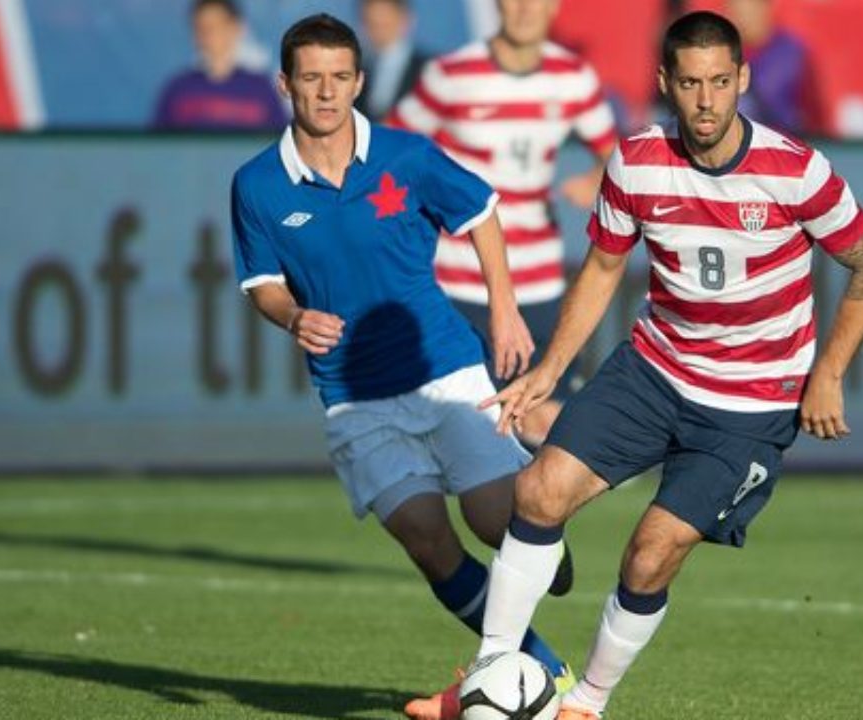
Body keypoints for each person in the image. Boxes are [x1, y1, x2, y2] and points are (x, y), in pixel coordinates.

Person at [407, 10, 863, 720]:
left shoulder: (794, 170)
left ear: (743, 80)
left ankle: (586, 705)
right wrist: (550, 369)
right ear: (666, 82)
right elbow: (605, 268)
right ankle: (490, 676)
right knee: (539, 491)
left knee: (650, 553)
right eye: (691, 83)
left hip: (750, 406)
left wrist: (827, 372)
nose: (706, 101)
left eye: (721, 82)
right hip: (654, 372)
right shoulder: (636, 159)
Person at [228, 14, 576, 719]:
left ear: (358, 82)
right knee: (425, 538)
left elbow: (479, 213)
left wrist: (505, 310)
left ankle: (543, 543)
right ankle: (540, 667)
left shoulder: (406, 155)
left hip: (444, 369)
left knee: (493, 520)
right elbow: (261, 282)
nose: (325, 92)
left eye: (338, 77)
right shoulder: (257, 184)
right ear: (285, 83)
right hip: (353, 396)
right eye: (310, 77)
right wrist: (292, 315)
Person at [391, 0, 618, 447]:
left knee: (544, 427)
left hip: (539, 282)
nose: (525, 9)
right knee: (473, 435)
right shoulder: (451, 75)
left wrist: (596, 179)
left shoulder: (573, 77)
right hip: (462, 283)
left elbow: (615, 156)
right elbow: (393, 150)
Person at [152, 0, 288, 131]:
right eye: (200, 27)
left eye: (215, 25)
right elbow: (157, 147)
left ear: (237, 28)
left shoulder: (260, 88)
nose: (208, 33)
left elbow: (280, 144)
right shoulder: (177, 90)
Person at [725, 0, 822, 137]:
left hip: (784, 145)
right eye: (737, 10)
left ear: (766, 8)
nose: (743, 17)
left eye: (750, 9)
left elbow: (816, 115)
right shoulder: (721, 55)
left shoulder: (792, 53)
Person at [355, 0, 429, 120]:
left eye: (385, 24)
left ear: (405, 20)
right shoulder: (356, 71)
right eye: (371, 24)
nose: (378, 31)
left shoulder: (429, 69)